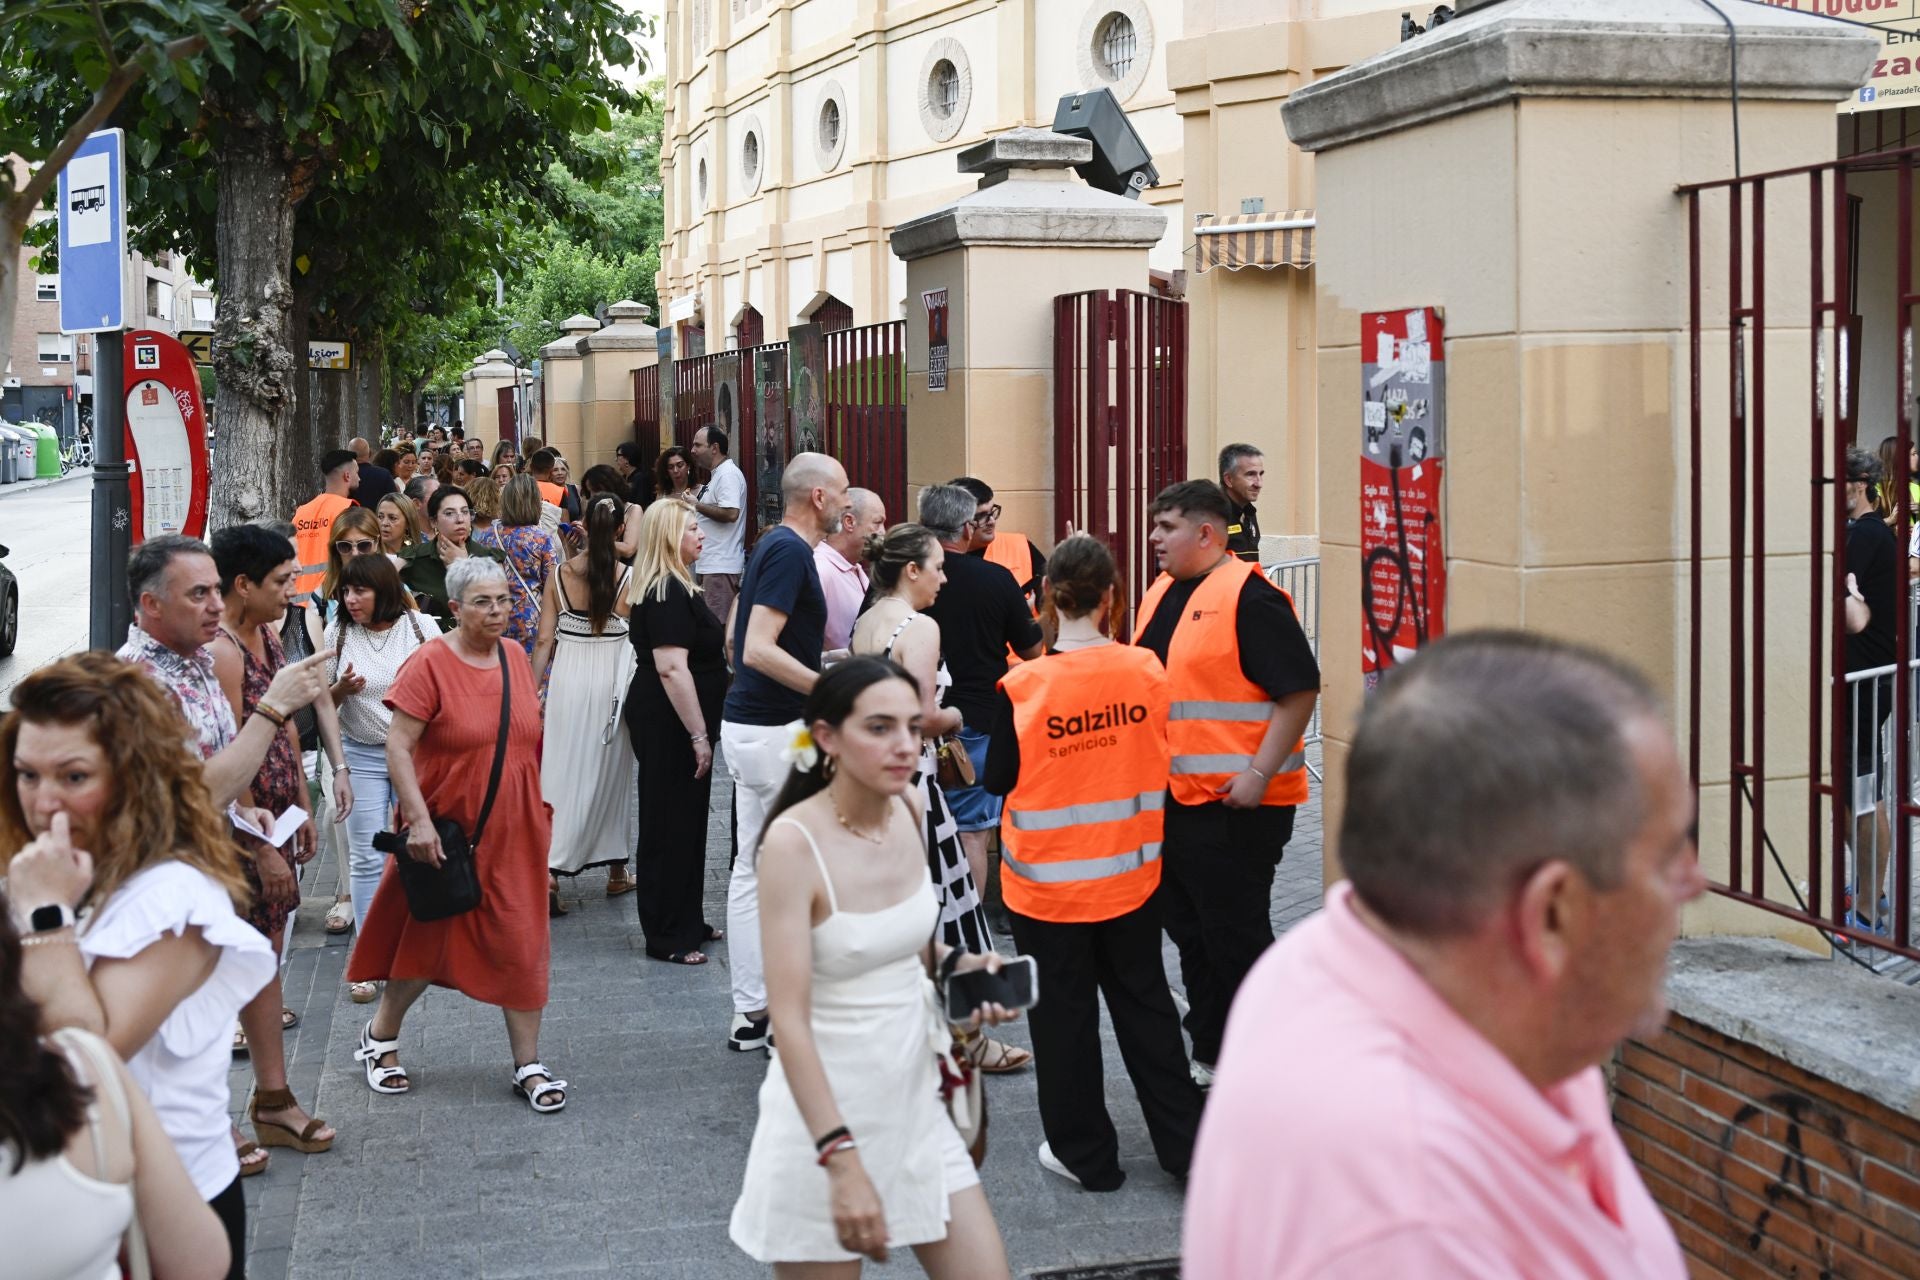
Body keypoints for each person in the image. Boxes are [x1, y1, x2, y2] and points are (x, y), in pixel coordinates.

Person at [1184, 632, 1700, 1279]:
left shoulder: (1347, 954)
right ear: (1551, 912)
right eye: (1668, 856)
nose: (1694, 884)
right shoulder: (1414, 1224)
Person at [730, 658, 1017, 1276]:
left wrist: (968, 968)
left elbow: (913, 951)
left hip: (917, 1097)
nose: (906, 746)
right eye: (880, 728)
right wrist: (839, 1156)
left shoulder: (911, 810)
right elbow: (789, 1020)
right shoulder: (791, 843)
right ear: (826, 737)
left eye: (913, 728)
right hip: (826, 1119)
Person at [5, 653, 280, 1277]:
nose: (43, 802)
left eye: (73, 777)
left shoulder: (177, 899)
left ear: (134, 777)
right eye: (26, 775)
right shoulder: (50, 872)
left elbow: (88, 1054)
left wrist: (45, 918)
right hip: (52, 1199)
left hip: (158, 1215)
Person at [983, 535, 1201, 1189]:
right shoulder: (1147, 672)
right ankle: (1187, 1150)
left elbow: (997, 778)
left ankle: (1087, 1157)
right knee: (1148, 1009)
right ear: (1112, 597)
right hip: (1132, 879)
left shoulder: (1023, 686)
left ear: (1048, 596)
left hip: (1045, 892)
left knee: (1063, 1018)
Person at [345, 558, 567, 1114]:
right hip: (446, 833)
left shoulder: (517, 658)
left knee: (522, 942)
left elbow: (525, 743)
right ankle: (380, 1037)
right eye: (482, 603)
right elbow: (397, 747)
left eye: (503, 601)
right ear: (455, 608)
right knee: (426, 946)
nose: (497, 612)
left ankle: (528, 1064)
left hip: (515, 830)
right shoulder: (430, 664)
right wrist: (416, 821)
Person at [1134, 480, 1319, 1089]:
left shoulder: (1251, 596)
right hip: (1177, 798)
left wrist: (1258, 775)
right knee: (1191, 932)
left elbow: (1299, 689)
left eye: (1167, 527)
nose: (1154, 538)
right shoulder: (1164, 590)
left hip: (1237, 805)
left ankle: (1265, 1058)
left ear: (1206, 533)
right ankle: (1214, 1049)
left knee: (1234, 935)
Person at [0, 906, 235, 1280]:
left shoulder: (177, 904)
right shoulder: (84, 1066)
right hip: (182, 1186)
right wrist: (46, 914)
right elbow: (200, 1262)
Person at [207, 526, 345, 1158]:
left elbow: (281, 724)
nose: (294, 591)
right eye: (283, 581)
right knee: (236, 964)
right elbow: (233, 751)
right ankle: (231, 1112)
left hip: (280, 815)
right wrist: (260, 842)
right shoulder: (223, 652)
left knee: (267, 957)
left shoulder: (264, 634)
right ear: (244, 586)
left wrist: (306, 803)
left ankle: (272, 1098)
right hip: (246, 831)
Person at [721, 452, 850, 1052]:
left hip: (758, 728)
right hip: (776, 733)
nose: (849, 504)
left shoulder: (774, 547)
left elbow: (742, 641)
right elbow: (756, 649)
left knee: (754, 870)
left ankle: (756, 1014)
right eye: (844, 493)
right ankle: (782, 1019)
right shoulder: (792, 551)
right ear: (819, 497)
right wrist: (829, 686)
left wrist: (823, 665)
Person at [918, 484, 1043, 908]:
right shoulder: (995, 579)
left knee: (917, 825)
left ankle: (925, 919)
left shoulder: (902, 574)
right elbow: (1031, 650)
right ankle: (966, 925)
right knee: (972, 831)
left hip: (913, 720)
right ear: (967, 527)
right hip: (978, 720)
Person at [323, 553, 438, 1000]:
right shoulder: (338, 632)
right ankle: (368, 959)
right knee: (368, 856)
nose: (351, 600)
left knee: (418, 851)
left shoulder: (420, 628)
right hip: (364, 755)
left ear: (383, 590)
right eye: (347, 591)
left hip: (415, 756)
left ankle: (417, 945)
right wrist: (340, 691)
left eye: (361, 590)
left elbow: (443, 688)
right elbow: (323, 706)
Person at [625, 501, 727, 963]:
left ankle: (688, 918)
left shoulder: (679, 582)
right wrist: (698, 735)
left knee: (689, 820)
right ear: (669, 536)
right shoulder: (666, 588)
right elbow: (671, 668)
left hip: (678, 721)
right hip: (669, 723)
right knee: (668, 823)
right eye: (692, 529)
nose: (701, 535)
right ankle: (666, 933)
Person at [535, 495, 639, 910]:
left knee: (559, 772)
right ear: (618, 531)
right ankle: (616, 871)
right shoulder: (630, 578)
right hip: (612, 686)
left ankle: (549, 871)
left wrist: (529, 694)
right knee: (612, 776)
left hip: (568, 682)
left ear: (581, 524)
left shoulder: (560, 575)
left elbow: (544, 640)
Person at [1843, 446, 1899, 938]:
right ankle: (1867, 893)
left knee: (1864, 790)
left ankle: (1867, 909)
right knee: (1849, 788)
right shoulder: (1869, 531)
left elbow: (1853, 615)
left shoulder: (1865, 534)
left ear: (1858, 483)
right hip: (1862, 675)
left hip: (1866, 675)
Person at [399, 485, 507, 631]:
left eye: (465, 512)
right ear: (433, 521)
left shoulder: (488, 558)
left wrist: (463, 565)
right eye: (449, 513)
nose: (460, 519)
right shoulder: (414, 557)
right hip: (426, 646)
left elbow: (498, 614)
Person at [475, 475, 560, 655]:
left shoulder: (488, 536)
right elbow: (553, 586)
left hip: (495, 614)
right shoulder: (541, 539)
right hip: (531, 619)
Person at [951, 477, 1045, 606]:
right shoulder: (938, 558)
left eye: (992, 512)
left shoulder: (1019, 546)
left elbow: (1056, 601)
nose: (992, 521)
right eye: (982, 516)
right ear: (958, 520)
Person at [688, 425, 748, 624]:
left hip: (720, 566)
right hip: (712, 565)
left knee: (717, 627)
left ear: (714, 448)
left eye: (698, 445)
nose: (693, 450)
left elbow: (731, 513)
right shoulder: (719, 475)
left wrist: (696, 505)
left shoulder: (727, 475)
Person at [816, 487, 885, 655]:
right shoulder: (820, 568)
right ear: (849, 522)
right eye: (877, 523)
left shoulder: (856, 568)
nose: (883, 531)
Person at [290, 449, 360, 603]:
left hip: (295, 600)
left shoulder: (301, 512)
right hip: (328, 599)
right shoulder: (346, 510)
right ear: (347, 476)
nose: (359, 478)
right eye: (357, 472)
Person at [581, 464, 645, 559]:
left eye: (596, 490)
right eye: (589, 491)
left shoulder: (633, 510)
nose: (592, 496)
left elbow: (629, 549)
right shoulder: (593, 510)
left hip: (625, 570)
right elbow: (586, 551)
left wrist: (593, 539)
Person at [1217, 443, 1266, 563]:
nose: (1259, 484)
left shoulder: (1249, 512)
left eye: (1260, 474)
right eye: (1251, 474)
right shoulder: (1213, 514)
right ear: (1229, 479)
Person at [375, 491, 424, 558]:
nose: (384, 523)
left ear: (408, 523)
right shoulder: (367, 554)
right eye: (380, 517)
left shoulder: (420, 556)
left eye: (392, 518)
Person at [350, 437, 396, 507]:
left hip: (349, 516)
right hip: (377, 516)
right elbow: (394, 500)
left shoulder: (344, 476)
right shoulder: (383, 474)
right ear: (370, 453)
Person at [615, 440, 657, 507]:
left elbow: (641, 504)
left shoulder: (641, 479)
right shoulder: (622, 478)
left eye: (618, 455)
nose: (615, 459)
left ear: (627, 459)